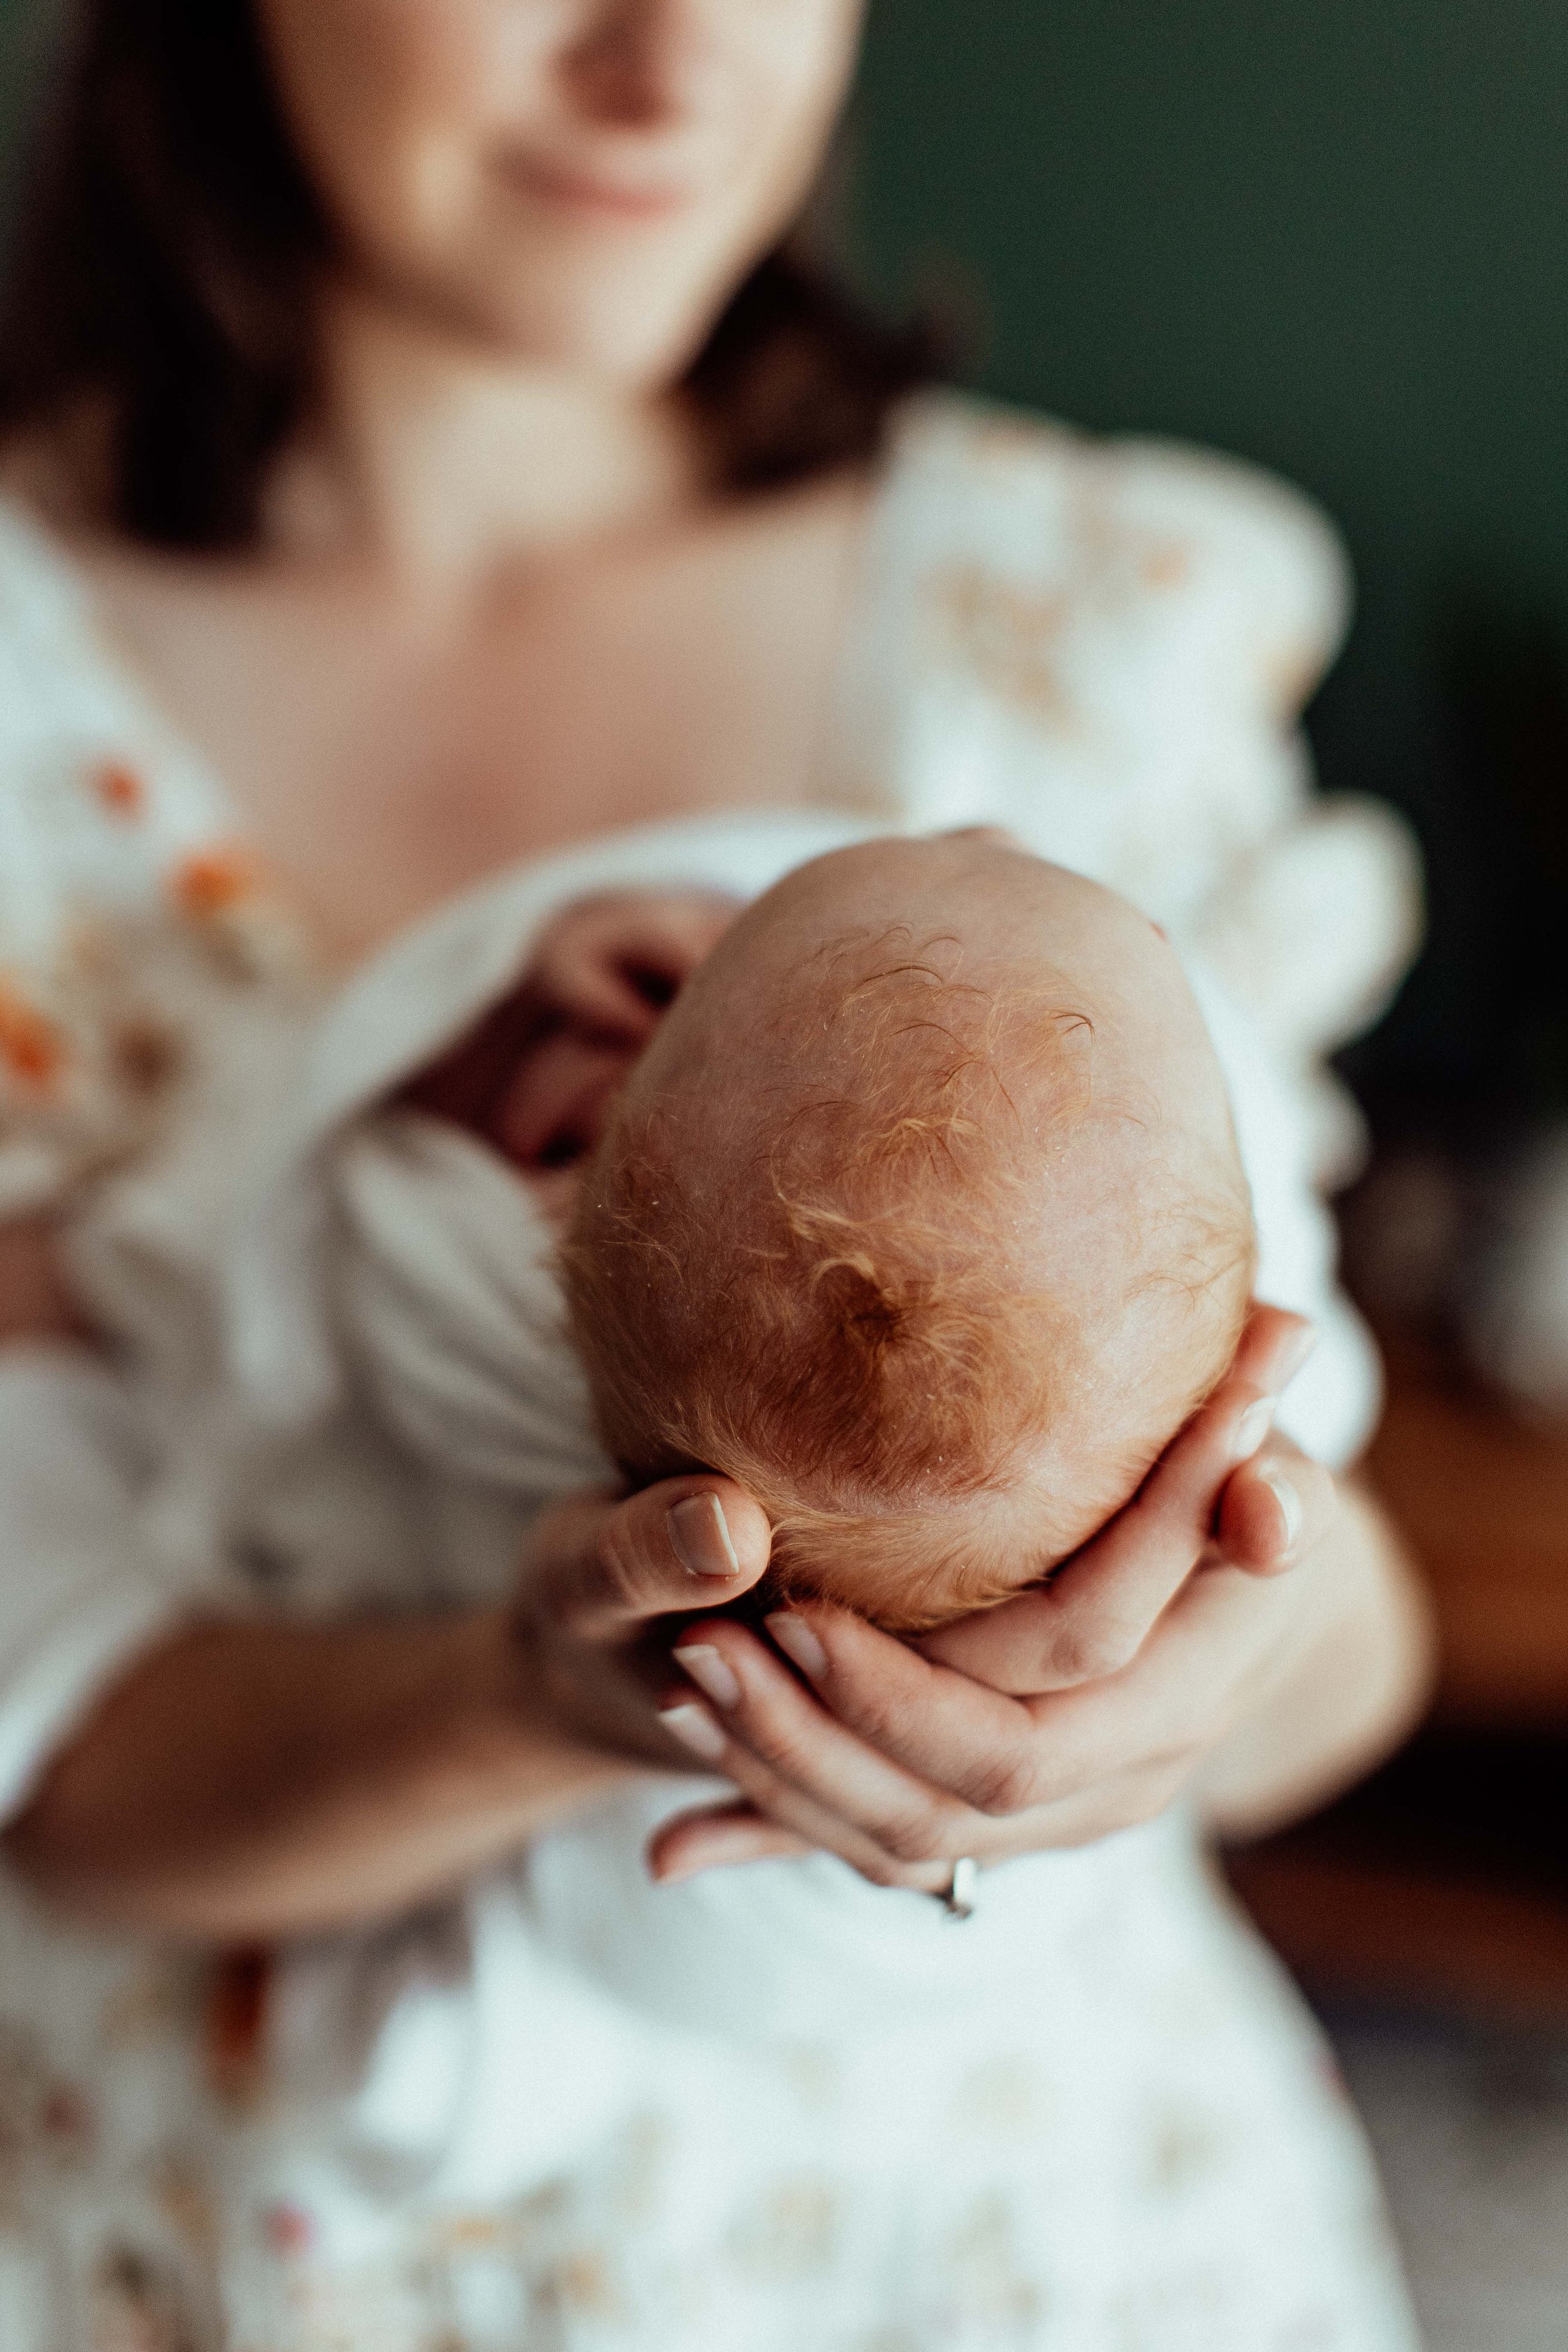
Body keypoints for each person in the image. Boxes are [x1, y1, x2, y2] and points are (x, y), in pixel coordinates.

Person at [0, 2, 1428, 2343]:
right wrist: (529, 1700)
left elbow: (1340, 1638)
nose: (670, 65)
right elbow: (51, 1755)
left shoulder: (1080, 629)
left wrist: (1200, 1651)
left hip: (1011, 2256)